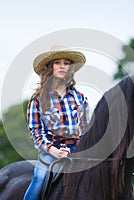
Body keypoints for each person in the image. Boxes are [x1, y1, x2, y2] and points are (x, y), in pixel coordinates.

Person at [23, 45, 90, 200]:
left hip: (78, 151)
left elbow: (86, 128)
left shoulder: (80, 98)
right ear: (49, 68)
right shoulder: (38, 100)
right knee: (39, 179)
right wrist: (52, 150)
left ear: (70, 69)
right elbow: (36, 131)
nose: (62, 66)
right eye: (57, 62)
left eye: (66, 63)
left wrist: (82, 148)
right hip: (50, 153)